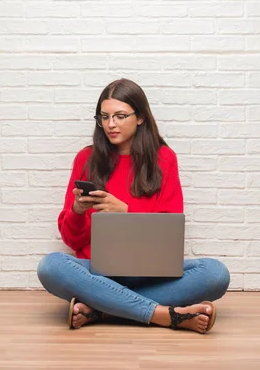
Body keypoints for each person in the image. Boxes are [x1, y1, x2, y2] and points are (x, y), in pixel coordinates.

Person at [37, 78, 230, 334]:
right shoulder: (86, 158)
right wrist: (77, 211)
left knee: (216, 274)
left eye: (120, 116)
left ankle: (103, 308)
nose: (111, 124)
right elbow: (72, 241)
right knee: (51, 266)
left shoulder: (164, 159)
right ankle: (161, 314)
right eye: (104, 117)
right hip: (97, 271)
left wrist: (124, 212)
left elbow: (169, 233)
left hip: (150, 272)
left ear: (140, 117)